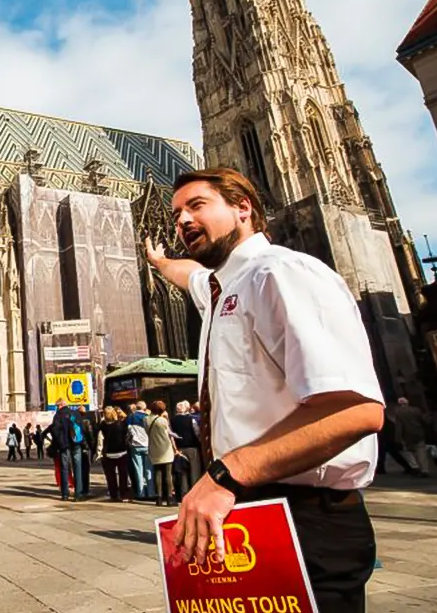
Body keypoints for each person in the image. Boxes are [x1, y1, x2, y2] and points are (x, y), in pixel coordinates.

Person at [145, 168, 386, 613]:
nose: (182, 221)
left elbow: (356, 410)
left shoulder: (282, 273)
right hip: (253, 512)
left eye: (197, 205)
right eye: (177, 213)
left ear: (243, 208)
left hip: (306, 519)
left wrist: (224, 475)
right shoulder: (222, 288)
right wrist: (160, 263)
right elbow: (189, 276)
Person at [49, 400, 88, 501]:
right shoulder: (75, 413)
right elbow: (82, 428)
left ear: (61, 405)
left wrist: (60, 443)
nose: (57, 408)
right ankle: (78, 494)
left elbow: (55, 430)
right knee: (77, 468)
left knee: (64, 469)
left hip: (64, 445)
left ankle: (65, 494)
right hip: (76, 444)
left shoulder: (58, 415)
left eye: (57, 406)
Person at [146, 401, 178, 506]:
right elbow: (169, 432)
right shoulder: (162, 421)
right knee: (168, 474)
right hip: (165, 448)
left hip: (154, 448)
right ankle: (169, 497)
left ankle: (159, 498)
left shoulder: (146, 419)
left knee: (157, 473)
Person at [99, 407, 132, 502]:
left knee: (110, 475)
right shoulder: (120, 424)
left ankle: (113, 494)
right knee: (123, 474)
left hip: (109, 452)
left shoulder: (103, 425)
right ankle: (123, 493)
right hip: (121, 451)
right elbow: (127, 435)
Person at [376, 408, 419, 476]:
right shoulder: (389, 423)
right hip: (388, 439)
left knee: (384, 454)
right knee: (393, 454)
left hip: (385, 439)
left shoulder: (383, 423)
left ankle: (381, 468)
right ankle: (407, 467)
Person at [393, 397, 431, 476]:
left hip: (407, 435)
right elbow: (424, 420)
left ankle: (415, 466)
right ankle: (425, 469)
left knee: (408, 451)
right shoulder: (416, 410)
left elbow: (399, 426)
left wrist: (398, 438)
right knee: (421, 451)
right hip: (419, 433)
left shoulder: (398, 412)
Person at [126, 402, 154, 501]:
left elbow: (129, 430)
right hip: (147, 445)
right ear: (145, 408)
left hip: (135, 445)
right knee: (149, 469)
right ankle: (151, 492)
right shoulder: (148, 417)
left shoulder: (131, 417)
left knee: (138, 469)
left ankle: (141, 492)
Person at [171, 401, 202, 487]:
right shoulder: (191, 419)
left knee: (183, 471)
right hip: (192, 447)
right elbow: (197, 432)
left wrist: (175, 448)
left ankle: (184, 492)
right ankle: (195, 489)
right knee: (195, 471)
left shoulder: (172, 420)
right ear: (185, 409)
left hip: (180, 448)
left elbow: (171, 435)